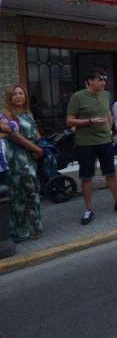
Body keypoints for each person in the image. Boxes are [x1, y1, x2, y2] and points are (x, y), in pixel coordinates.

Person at [67, 68, 117, 225]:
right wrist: (89, 121)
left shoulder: (106, 95)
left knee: (110, 173)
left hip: (104, 141)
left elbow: (108, 113)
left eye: (104, 79)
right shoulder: (77, 97)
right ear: (90, 81)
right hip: (85, 143)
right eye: (100, 79)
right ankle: (88, 209)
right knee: (87, 176)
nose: (104, 82)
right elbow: (69, 120)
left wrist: (110, 130)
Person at [4, 85, 44, 241]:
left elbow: (35, 132)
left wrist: (41, 144)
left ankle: (35, 227)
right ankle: (21, 230)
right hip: (18, 158)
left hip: (30, 156)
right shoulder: (7, 114)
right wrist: (37, 149)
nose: (18, 96)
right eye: (14, 94)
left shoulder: (28, 113)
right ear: (9, 97)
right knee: (20, 193)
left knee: (32, 191)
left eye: (21, 93)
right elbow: (16, 137)